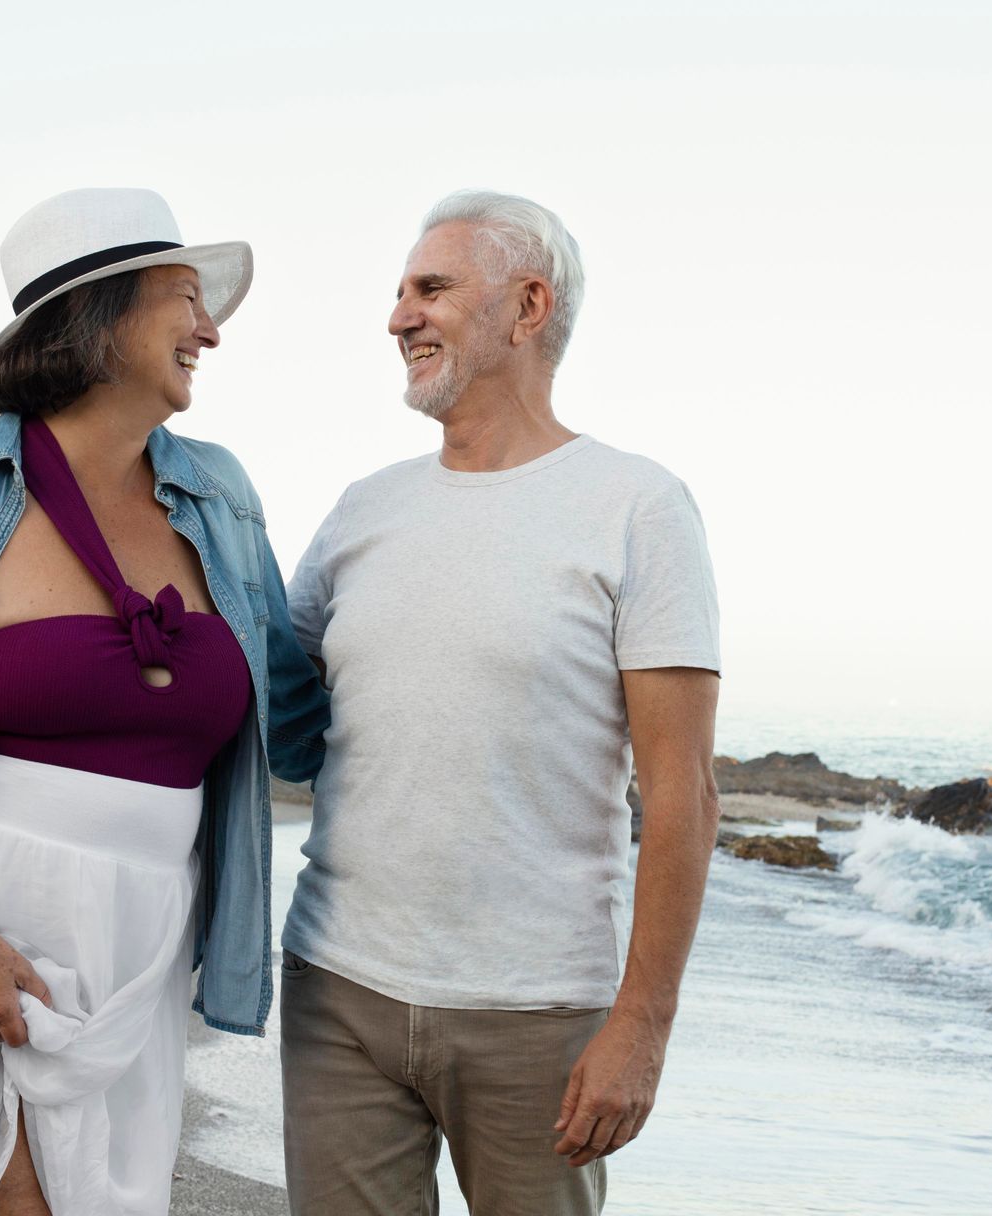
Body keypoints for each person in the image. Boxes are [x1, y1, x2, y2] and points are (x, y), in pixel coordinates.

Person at [0, 187, 329, 1216]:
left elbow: (300, 712)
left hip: (147, 939)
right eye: (184, 298)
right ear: (102, 316)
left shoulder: (222, 497)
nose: (211, 327)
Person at [278, 190, 722, 1215]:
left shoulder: (637, 505)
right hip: (336, 992)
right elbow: (263, 705)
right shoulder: (363, 509)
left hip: (540, 1014)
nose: (398, 316)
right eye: (398, 292)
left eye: (431, 288)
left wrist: (642, 1025)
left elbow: (683, 789)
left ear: (528, 306)